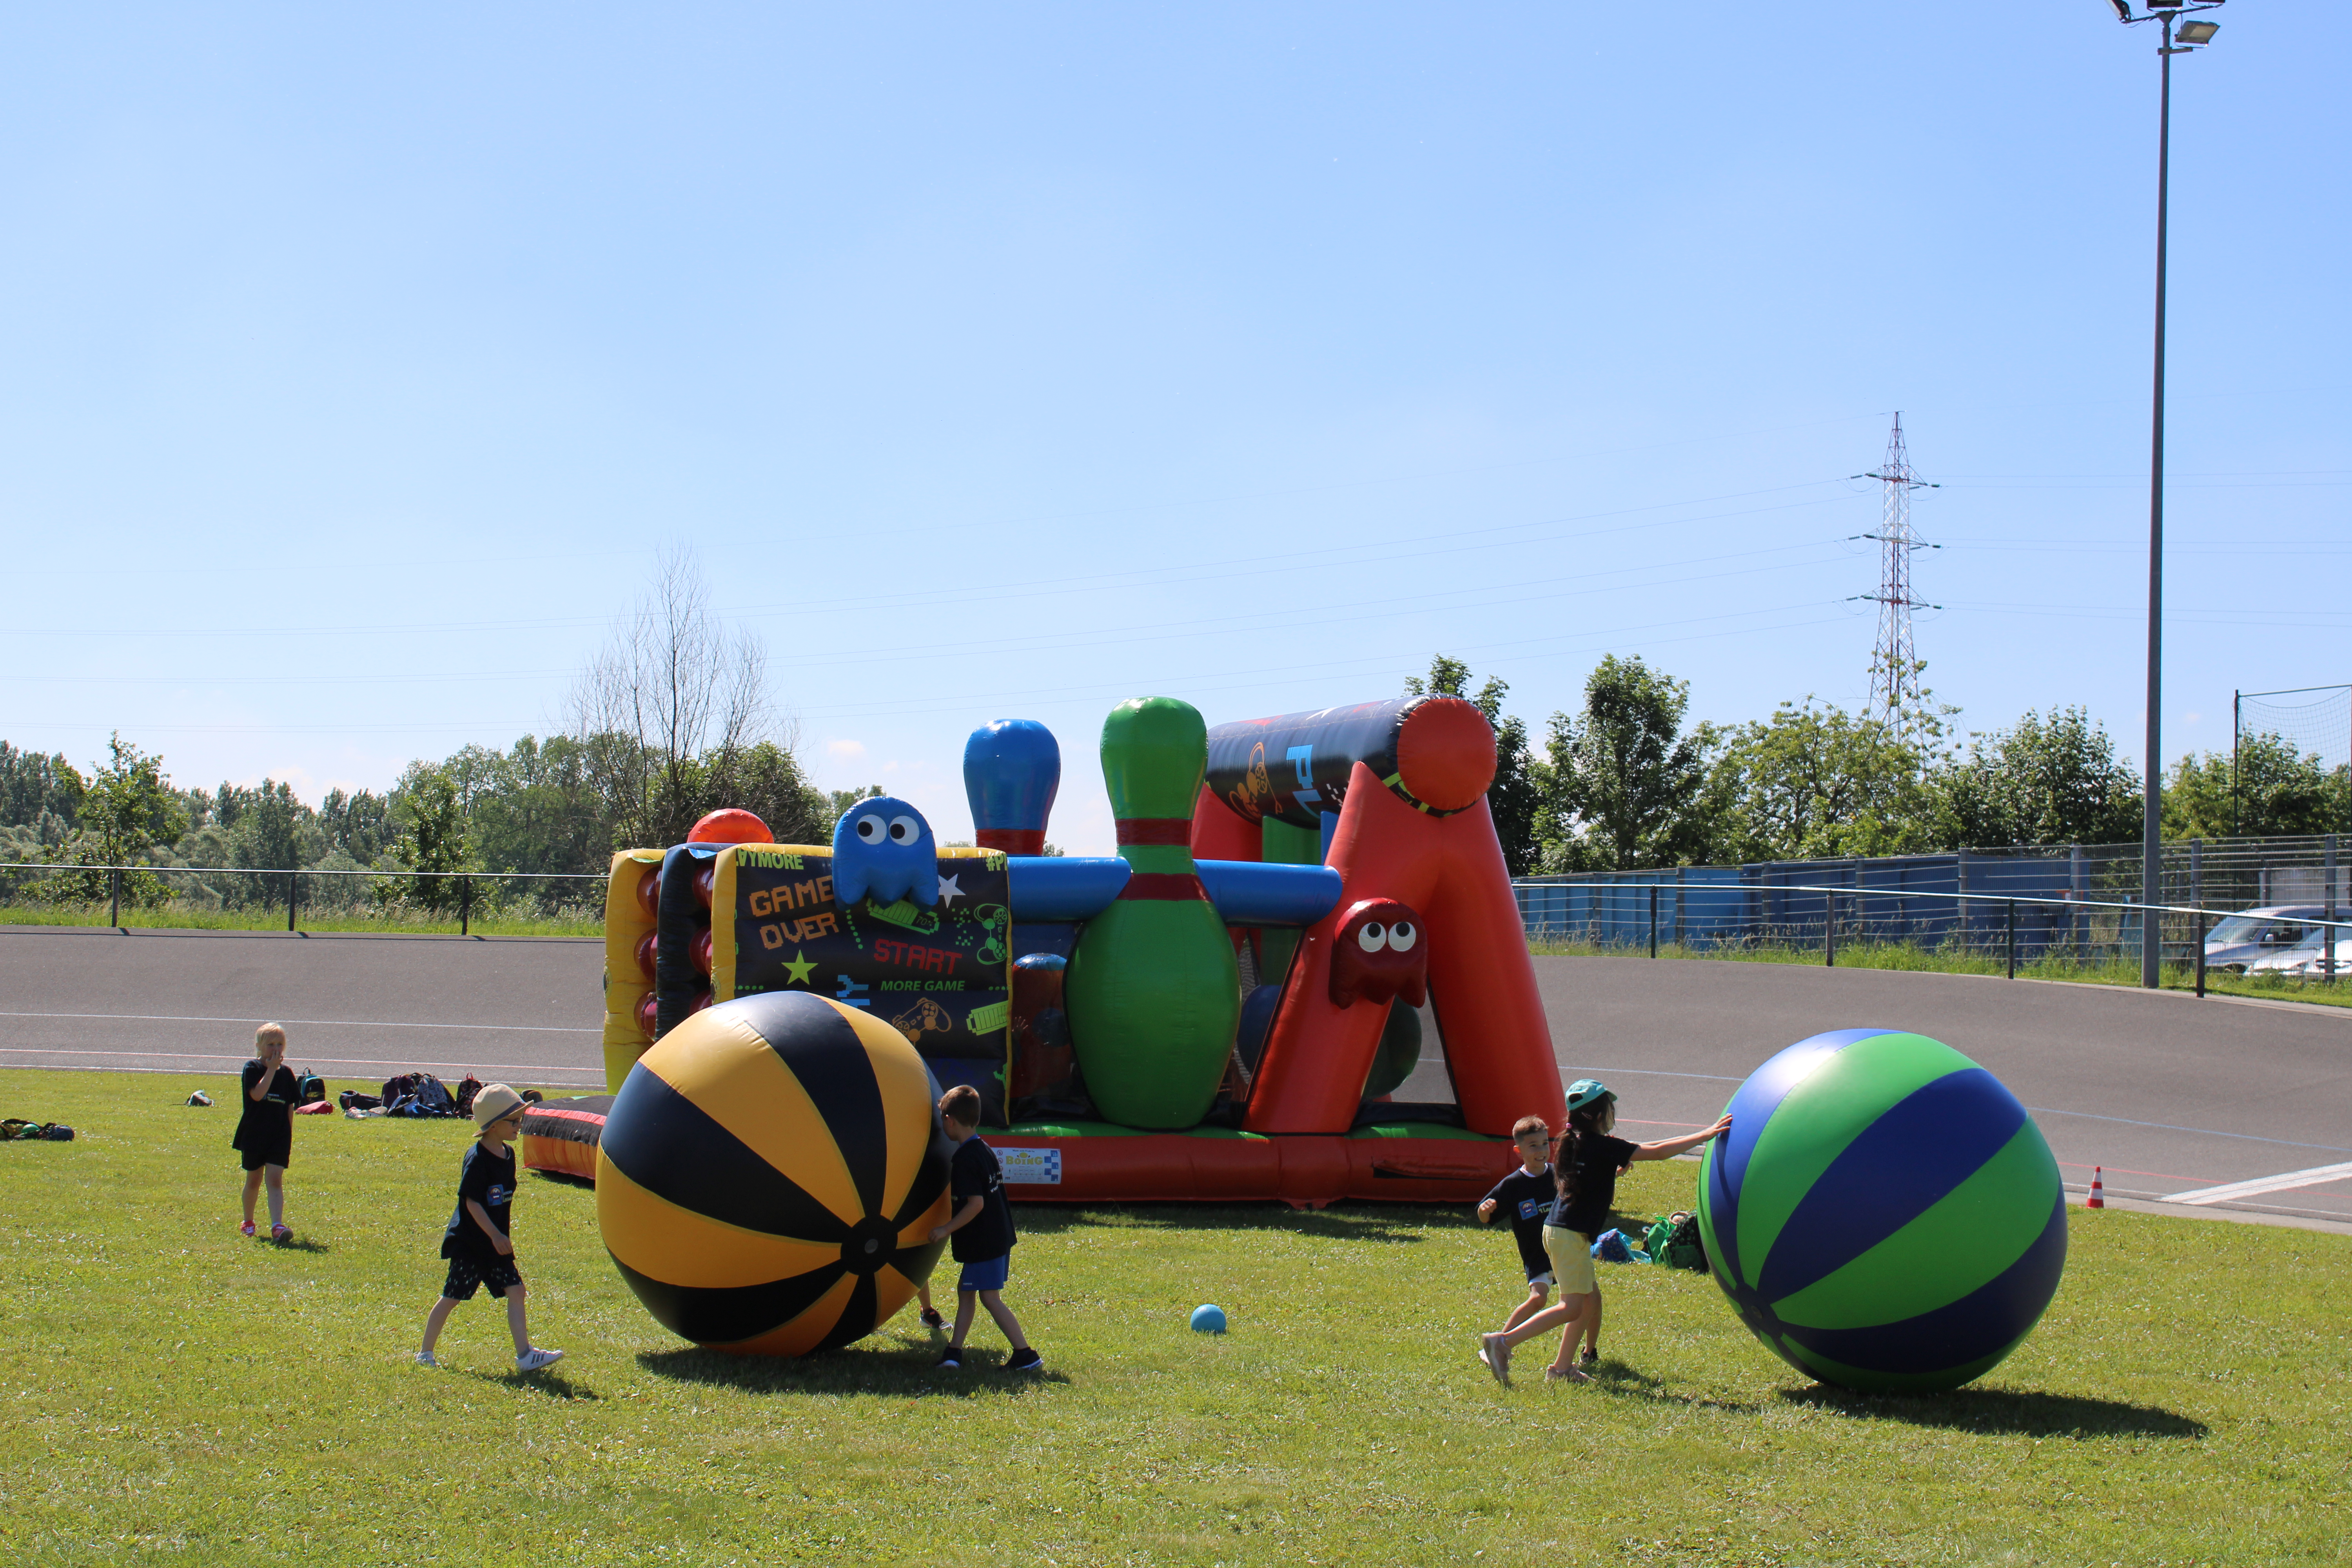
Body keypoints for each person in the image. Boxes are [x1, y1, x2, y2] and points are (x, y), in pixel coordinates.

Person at [1478, 1080, 1730, 1388]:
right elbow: (1656, 1151)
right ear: (1600, 1115)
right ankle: (1503, 1343)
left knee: (1587, 1300)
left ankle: (1561, 1368)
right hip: (1568, 1235)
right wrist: (1707, 1134)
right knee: (1571, 1306)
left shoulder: (1576, 1142)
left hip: (1562, 1233)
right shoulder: (1601, 1144)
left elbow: (1591, 1176)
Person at [417, 1084, 564, 1373]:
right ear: (494, 1125)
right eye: (513, 1121)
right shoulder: (477, 1159)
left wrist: (499, 1237)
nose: (519, 1126)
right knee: (452, 1298)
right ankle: (425, 1353)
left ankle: (525, 1355)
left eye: (520, 1120)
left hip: (496, 1246)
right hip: (472, 1244)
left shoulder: (508, 1156)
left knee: (517, 1291)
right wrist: (495, 1234)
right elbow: (471, 1201)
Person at [926, 1084, 1041, 1372]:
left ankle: (1025, 1354)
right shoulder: (984, 1148)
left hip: (985, 1243)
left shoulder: (964, 1159)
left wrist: (945, 1229)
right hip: (997, 1238)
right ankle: (954, 1353)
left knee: (989, 1298)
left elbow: (975, 1205)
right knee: (968, 1292)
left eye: (942, 1119)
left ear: (950, 1121)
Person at [1477, 1115, 1559, 1334]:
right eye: (1533, 1146)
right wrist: (1484, 1212)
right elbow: (1486, 1217)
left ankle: (1589, 1351)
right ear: (1518, 1151)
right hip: (1537, 1255)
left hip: (1564, 1249)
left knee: (1584, 1297)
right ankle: (1500, 1341)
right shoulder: (1513, 1185)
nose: (1542, 1150)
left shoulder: (1557, 1174)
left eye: (1545, 1143)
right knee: (1539, 1299)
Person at [233, 1023, 299, 1240]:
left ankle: (277, 1225)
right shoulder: (252, 1068)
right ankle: (248, 1221)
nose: (276, 1049)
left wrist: (288, 1133)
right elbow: (258, 1095)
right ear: (259, 1047)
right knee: (254, 1179)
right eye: (270, 1044)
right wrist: (271, 1069)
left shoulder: (288, 1074)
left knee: (275, 1179)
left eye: (280, 1044)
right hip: (255, 1134)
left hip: (278, 1136)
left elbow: (289, 1105)